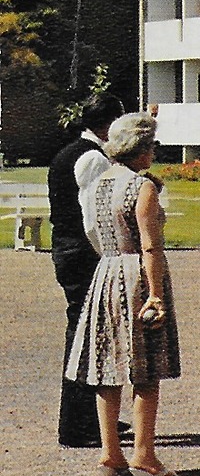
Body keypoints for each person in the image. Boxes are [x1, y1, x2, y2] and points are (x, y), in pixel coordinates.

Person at [65, 112, 180, 476]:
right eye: (152, 145)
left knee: (108, 368)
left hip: (106, 272)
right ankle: (144, 457)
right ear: (141, 147)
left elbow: (91, 231)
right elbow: (151, 246)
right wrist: (157, 295)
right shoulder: (142, 187)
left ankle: (110, 455)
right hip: (137, 278)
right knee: (145, 371)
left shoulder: (99, 183)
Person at [48, 92, 126, 449]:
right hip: (84, 255)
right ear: (109, 124)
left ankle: (86, 419)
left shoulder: (68, 153)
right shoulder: (92, 159)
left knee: (83, 334)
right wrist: (109, 257)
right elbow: (94, 218)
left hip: (66, 249)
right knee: (87, 338)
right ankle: (78, 426)